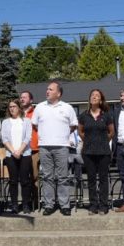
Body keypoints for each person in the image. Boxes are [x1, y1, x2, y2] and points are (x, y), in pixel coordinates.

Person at [31, 81, 78, 216]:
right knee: (47, 177)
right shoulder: (39, 107)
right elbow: (35, 125)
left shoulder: (67, 107)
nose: (47, 91)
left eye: (51, 89)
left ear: (58, 93)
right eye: (47, 89)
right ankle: (49, 205)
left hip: (62, 146)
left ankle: (64, 205)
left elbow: (73, 125)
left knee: (63, 177)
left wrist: (61, 135)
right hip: (44, 146)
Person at [78, 89, 114, 215]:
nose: (94, 97)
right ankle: (93, 205)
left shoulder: (106, 115)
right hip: (88, 152)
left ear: (100, 100)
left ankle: (104, 205)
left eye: (97, 96)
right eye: (92, 95)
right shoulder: (83, 115)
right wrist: (89, 141)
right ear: (89, 99)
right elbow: (80, 132)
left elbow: (111, 132)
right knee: (91, 179)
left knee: (103, 179)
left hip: (103, 152)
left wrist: (102, 141)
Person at [1, 99, 33, 214]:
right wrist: (13, 151)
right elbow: (4, 139)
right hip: (11, 154)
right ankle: (14, 205)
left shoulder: (27, 121)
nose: (12, 109)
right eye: (10, 107)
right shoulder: (5, 122)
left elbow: (28, 138)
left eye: (14, 106)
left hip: (25, 154)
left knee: (25, 180)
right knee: (13, 181)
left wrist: (19, 151)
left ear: (19, 108)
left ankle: (25, 204)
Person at [20, 90, 40, 209]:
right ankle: (25, 203)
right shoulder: (17, 113)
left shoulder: (36, 113)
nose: (22, 99)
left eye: (25, 97)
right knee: (23, 178)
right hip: (19, 150)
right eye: (21, 97)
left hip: (34, 149)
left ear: (31, 100)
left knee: (34, 177)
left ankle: (36, 204)